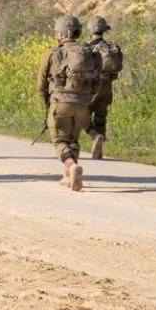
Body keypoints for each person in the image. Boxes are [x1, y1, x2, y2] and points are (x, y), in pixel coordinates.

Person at [37, 16, 101, 192]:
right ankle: (69, 175)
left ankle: (70, 165)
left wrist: (47, 103)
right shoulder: (90, 53)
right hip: (83, 104)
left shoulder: (52, 53)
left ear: (61, 34)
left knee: (59, 139)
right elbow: (97, 83)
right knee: (73, 139)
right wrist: (86, 99)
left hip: (60, 102)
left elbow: (41, 85)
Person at [84, 16, 124, 159]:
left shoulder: (86, 47)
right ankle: (99, 150)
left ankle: (95, 136)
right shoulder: (111, 47)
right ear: (104, 31)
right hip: (107, 88)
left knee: (82, 115)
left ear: (90, 30)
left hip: (92, 87)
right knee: (101, 116)